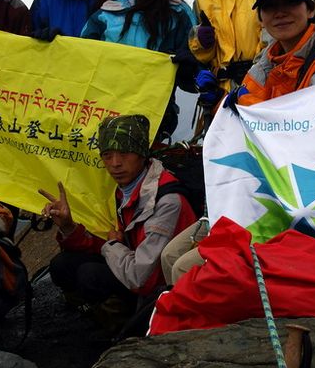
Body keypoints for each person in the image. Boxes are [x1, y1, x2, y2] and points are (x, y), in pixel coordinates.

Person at [41, 115, 198, 327]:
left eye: (124, 153)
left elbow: (141, 277)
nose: (115, 164)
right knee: (63, 265)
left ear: (142, 154)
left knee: (91, 275)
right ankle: (103, 319)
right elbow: (114, 245)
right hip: (133, 264)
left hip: (158, 285)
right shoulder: (124, 191)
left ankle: (132, 329)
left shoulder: (166, 201)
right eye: (107, 155)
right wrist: (69, 227)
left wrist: (112, 245)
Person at [81, 0, 199, 139]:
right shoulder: (105, 10)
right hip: (104, 110)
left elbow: (193, 76)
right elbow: (81, 60)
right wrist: (53, 43)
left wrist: (190, 63)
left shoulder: (178, 12)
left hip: (155, 115)